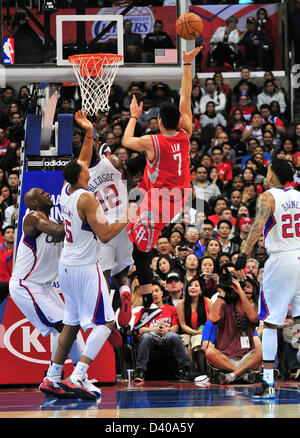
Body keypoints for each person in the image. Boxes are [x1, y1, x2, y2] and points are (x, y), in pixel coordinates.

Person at [39, 158, 136, 400]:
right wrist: (127, 216)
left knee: (71, 324)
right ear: (82, 176)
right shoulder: (86, 197)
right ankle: (79, 375)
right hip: (84, 266)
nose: (89, 171)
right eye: (86, 170)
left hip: (67, 266)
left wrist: (89, 133)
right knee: (107, 322)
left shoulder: (66, 191)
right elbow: (104, 236)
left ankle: (52, 376)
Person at [121, 46, 202, 330]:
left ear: (157, 123)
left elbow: (126, 141)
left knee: (139, 249)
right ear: (177, 122)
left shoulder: (153, 141)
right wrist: (187, 65)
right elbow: (186, 98)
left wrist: (133, 116)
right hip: (177, 197)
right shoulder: (185, 133)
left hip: (160, 201)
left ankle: (149, 305)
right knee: (138, 244)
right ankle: (147, 298)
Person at [9, 188, 89, 392]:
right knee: (63, 328)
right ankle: (77, 377)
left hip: (44, 285)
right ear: (34, 203)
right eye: (42, 193)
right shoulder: (33, 218)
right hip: (26, 285)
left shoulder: (52, 219)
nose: (47, 194)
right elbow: (59, 232)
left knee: (68, 327)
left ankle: (56, 377)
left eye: (47, 192)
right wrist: (85, 213)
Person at [234, 158, 300, 398]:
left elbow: (257, 226)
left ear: (273, 175)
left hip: (281, 260)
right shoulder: (299, 196)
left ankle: (269, 382)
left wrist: (243, 254)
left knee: (270, 324)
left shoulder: (268, 196)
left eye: (268, 171)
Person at [75, 111, 134, 328]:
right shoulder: (114, 162)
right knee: (121, 272)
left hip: (106, 228)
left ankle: (106, 316)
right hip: (126, 222)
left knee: (104, 275)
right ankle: (125, 291)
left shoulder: (80, 177)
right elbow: (128, 178)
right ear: (97, 142)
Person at [204, 275, 262, 384]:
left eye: (246, 288)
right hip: (226, 358)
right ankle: (243, 374)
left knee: (263, 349)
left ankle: (232, 375)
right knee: (210, 352)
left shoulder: (250, 308)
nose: (244, 289)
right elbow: (212, 318)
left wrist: (240, 292)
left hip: (247, 357)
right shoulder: (223, 306)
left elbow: (254, 318)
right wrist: (222, 295)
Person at [132, 279, 191, 384]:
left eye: (157, 290)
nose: (154, 294)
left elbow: (176, 327)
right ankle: (140, 370)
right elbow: (140, 329)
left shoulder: (171, 309)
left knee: (174, 336)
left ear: (162, 293)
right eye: (151, 292)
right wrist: (154, 329)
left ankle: (185, 369)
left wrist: (167, 329)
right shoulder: (144, 311)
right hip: (151, 337)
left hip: (167, 336)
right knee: (145, 337)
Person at [177, 277, 212, 374]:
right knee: (183, 345)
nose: (192, 288)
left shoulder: (208, 302)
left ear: (201, 290)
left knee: (197, 343)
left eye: (196, 286)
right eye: (190, 286)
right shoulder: (181, 303)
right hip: (188, 332)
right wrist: (194, 332)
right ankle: (190, 372)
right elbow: (183, 325)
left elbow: (211, 322)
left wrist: (199, 332)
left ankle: (203, 373)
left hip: (204, 332)